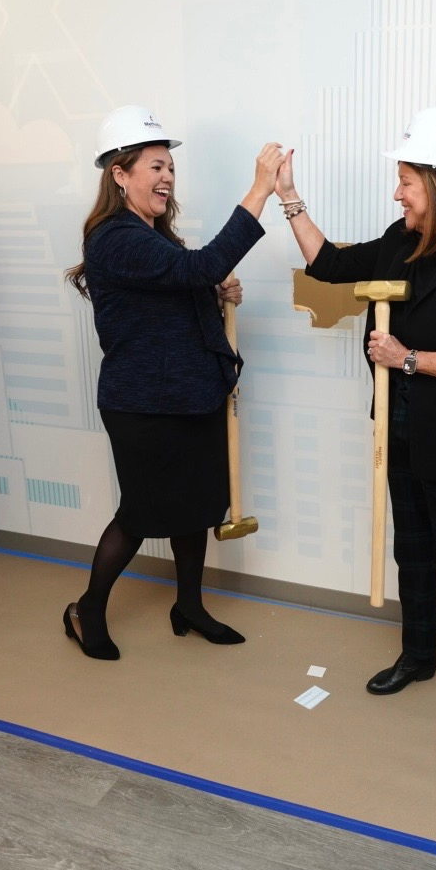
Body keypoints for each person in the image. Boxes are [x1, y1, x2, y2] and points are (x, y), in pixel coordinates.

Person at [277, 108, 436, 751]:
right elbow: (328, 265)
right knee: (411, 554)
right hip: (402, 433)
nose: (397, 191)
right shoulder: (402, 240)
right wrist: (288, 197)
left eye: (406, 179)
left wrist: (405, 358)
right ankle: (419, 657)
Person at [63, 106, 284, 660]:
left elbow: (176, 291)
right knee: (141, 514)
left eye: (170, 168)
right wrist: (259, 191)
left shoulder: (153, 236)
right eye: (155, 166)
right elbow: (198, 268)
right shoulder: (115, 237)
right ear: (120, 173)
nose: (166, 177)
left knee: (196, 507)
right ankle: (86, 609)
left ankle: (188, 604)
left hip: (191, 396)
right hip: (143, 405)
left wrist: (211, 295)